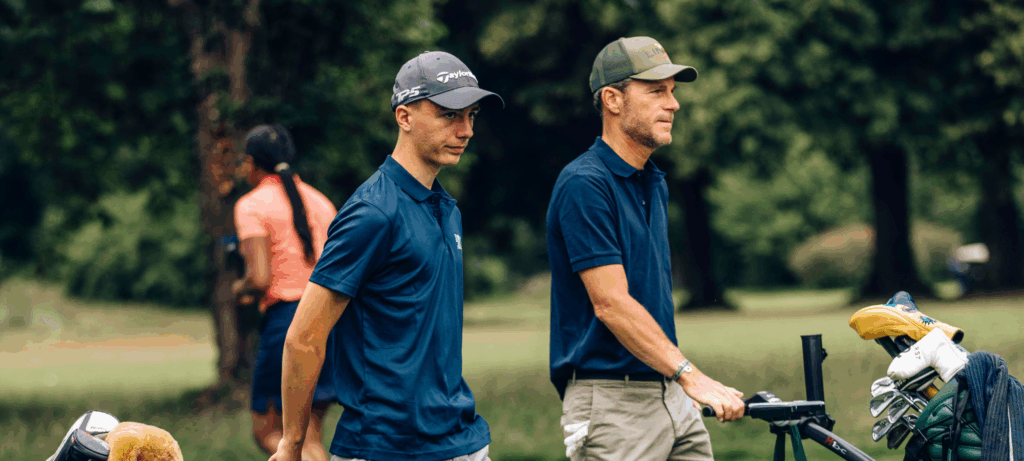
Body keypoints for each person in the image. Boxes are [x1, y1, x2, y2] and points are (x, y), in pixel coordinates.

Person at [269, 51, 503, 461]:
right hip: (386, 447)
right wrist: (293, 444)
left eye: (472, 115)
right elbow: (304, 337)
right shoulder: (371, 213)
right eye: (449, 115)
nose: (465, 130)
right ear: (404, 117)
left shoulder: (447, 208)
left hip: (461, 440)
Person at [546, 37, 746, 461]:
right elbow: (611, 303)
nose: (673, 104)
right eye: (657, 91)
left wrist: (675, 383)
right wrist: (691, 375)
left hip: (667, 391)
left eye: (673, 91)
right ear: (613, 99)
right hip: (612, 405)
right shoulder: (586, 184)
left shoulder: (652, 180)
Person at [234, 124, 339, 461]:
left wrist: (240, 288)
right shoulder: (322, 202)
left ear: (251, 163)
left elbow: (260, 278)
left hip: (287, 324)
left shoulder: (252, 205)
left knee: (269, 430)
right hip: (328, 322)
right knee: (309, 438)